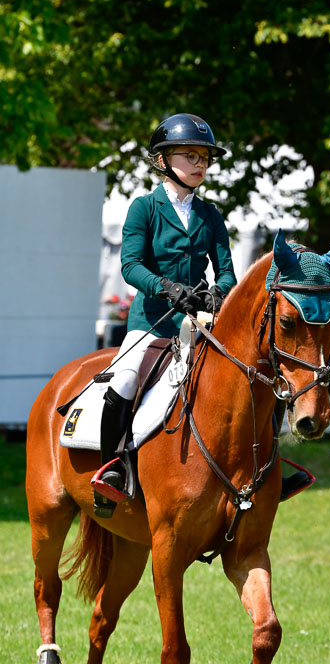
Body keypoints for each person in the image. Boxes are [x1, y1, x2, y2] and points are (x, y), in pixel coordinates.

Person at [92, 113, 237, 511]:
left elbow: (226, 271)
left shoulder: (211, 215)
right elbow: (130, 266)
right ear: (162, 160)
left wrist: (217, 294)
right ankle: (111, 469)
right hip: (151, 323)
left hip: (198, 323)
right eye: (190, 156)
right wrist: (168, 288)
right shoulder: (144, 208)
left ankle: (264, 465)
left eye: (204, 158)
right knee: (124, 381)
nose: (200, 165)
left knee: (248, 373)